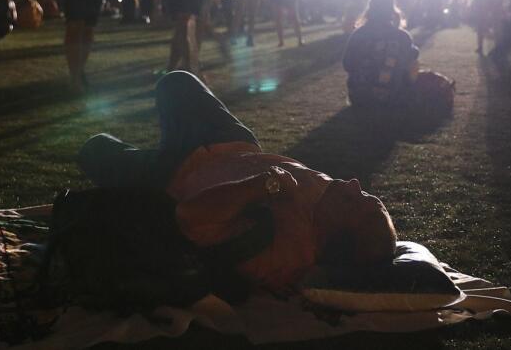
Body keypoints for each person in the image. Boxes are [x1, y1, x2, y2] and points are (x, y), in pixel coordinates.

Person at [76, 71, 398, 296]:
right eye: (365, 193)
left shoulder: (282, 247)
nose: (354, 184)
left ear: (333, 233)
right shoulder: (327, 204)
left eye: (353, 200)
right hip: (232, 145)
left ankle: (151, 155)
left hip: (178, 174)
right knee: (176, 83)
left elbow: (190, 217)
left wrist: (266, 185)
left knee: (94, 148)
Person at [343, 0, 418, 109]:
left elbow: (347, 64)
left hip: (360, 97)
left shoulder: (359, 34)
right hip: (394, 97)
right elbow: (410, 62)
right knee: (413, 57)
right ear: (392, 10)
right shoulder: (403, 36)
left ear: (370, 10)